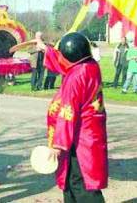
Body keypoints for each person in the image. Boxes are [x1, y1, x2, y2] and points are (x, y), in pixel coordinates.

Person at [36, 32, 108, 203]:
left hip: (80, 138)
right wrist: (45, 49)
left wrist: (58, 145)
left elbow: (66, 114)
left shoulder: (75, 78)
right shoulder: (89, 65)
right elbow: (64, 63)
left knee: (81, 184)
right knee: (71, 179)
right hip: (89, 134)